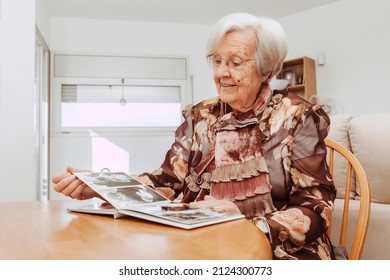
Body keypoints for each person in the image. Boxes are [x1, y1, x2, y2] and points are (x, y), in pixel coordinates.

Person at [52, 12, 336, 260]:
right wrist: (101, 186)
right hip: (201, 234)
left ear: (266, 69)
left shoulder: (298, 117)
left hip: (278, 249)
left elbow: (316, 205)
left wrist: (246, 220)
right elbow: (165, 181)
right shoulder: (199, 116)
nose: (221, 73)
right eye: (217, 61)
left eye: (236, 63)